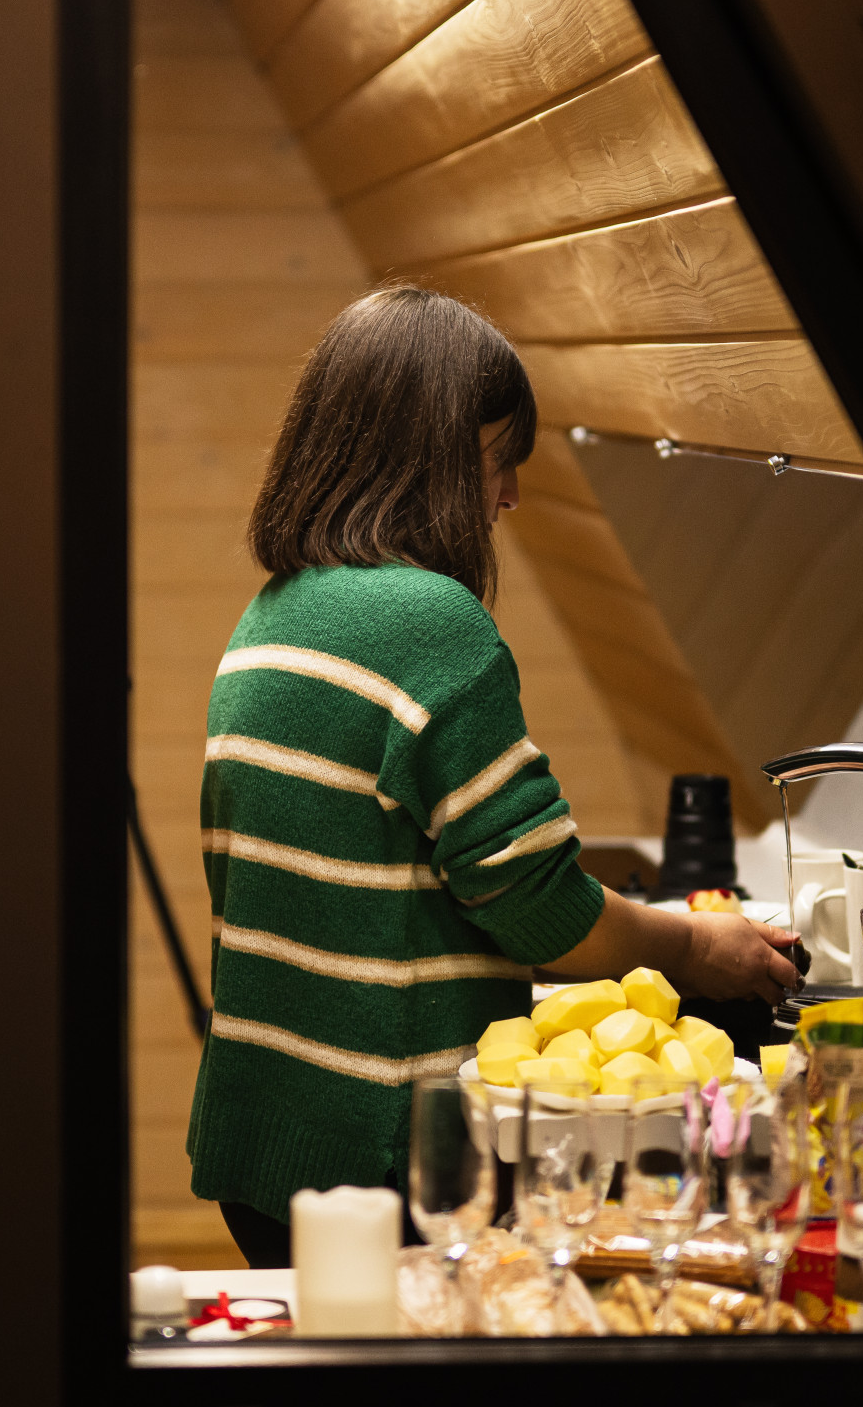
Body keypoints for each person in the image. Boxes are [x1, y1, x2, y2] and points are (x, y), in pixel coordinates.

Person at [185, 288, 801, 1267]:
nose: (509, 494)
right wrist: (692, 944)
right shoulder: (430, 625)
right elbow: (537, 907)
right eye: (495, 459)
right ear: (424, 461)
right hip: (394, 1164)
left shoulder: (271, 618)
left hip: (265, 1152)